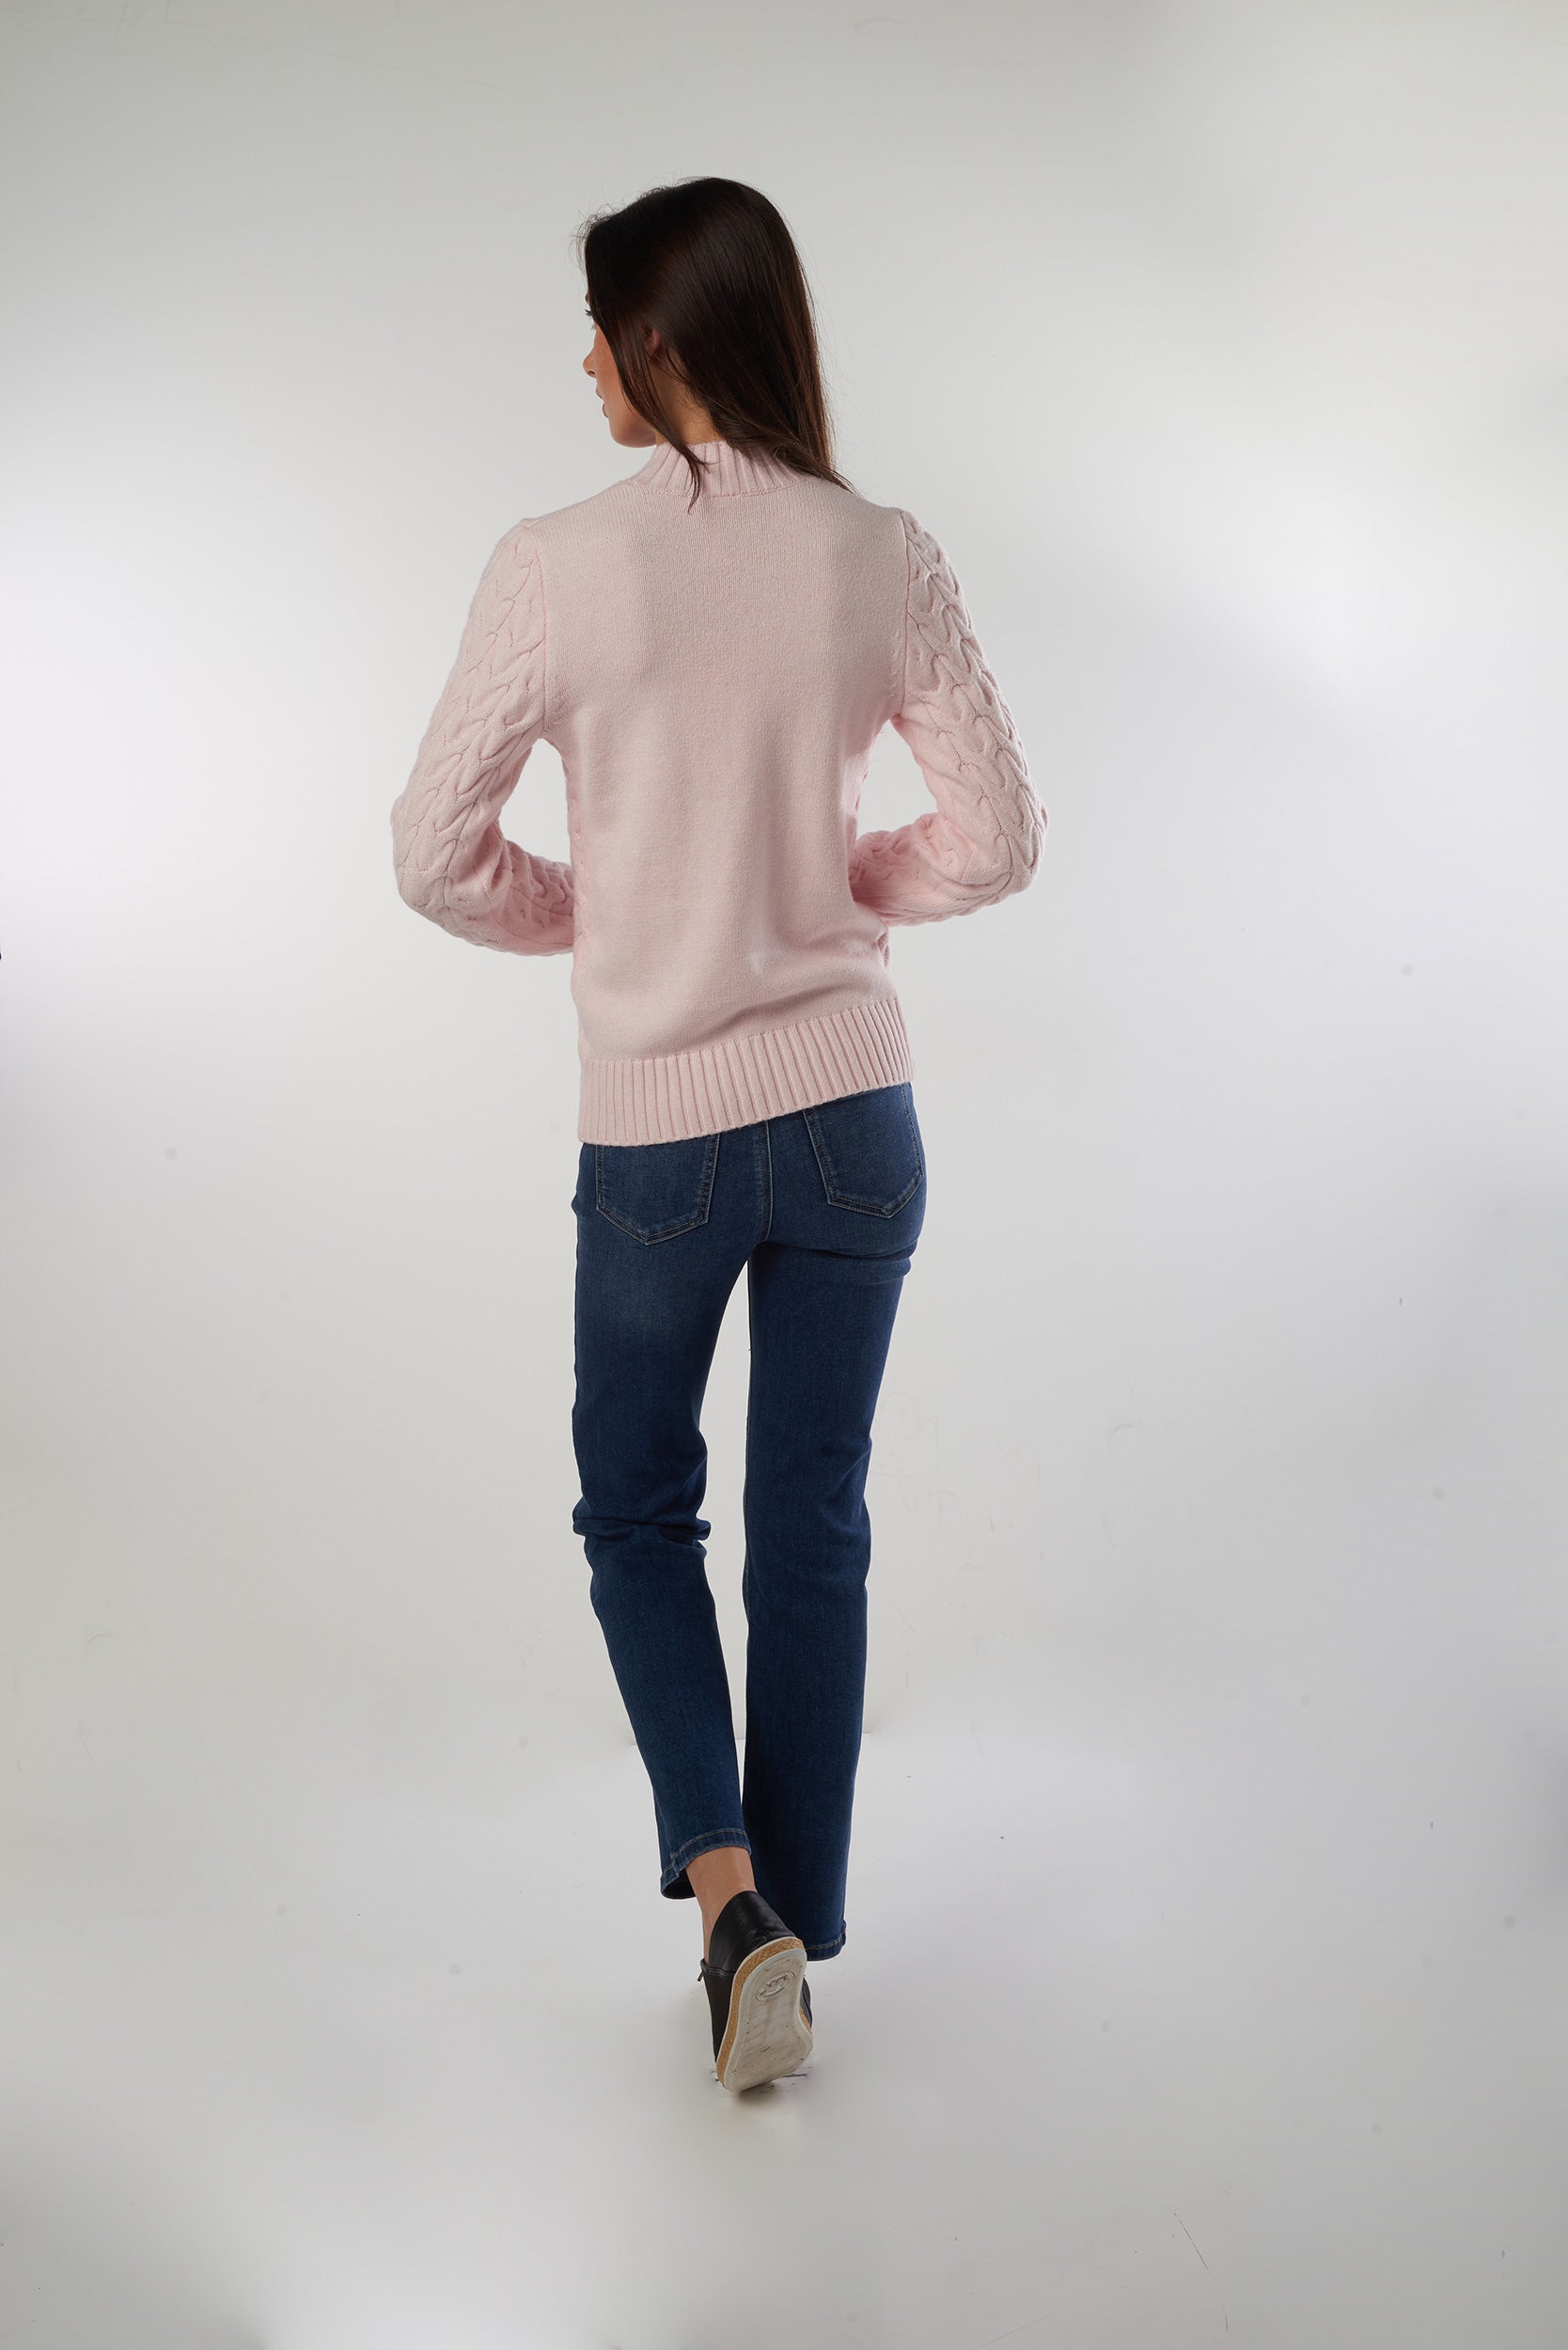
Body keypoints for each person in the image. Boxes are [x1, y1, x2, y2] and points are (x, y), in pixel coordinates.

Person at [389, 175, 1044, 2093]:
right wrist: (832, 886)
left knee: (635, 1511)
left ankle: (732, 1909)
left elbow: (431, 852)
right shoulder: (879, 551)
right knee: (813, 1522)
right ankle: (792, 1935)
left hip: (661, 1139)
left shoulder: (555, 564)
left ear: (661, 339)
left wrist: (604, 914)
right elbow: (1002, 837)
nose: (583, 360)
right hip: (855, 1115)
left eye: (600, 327)